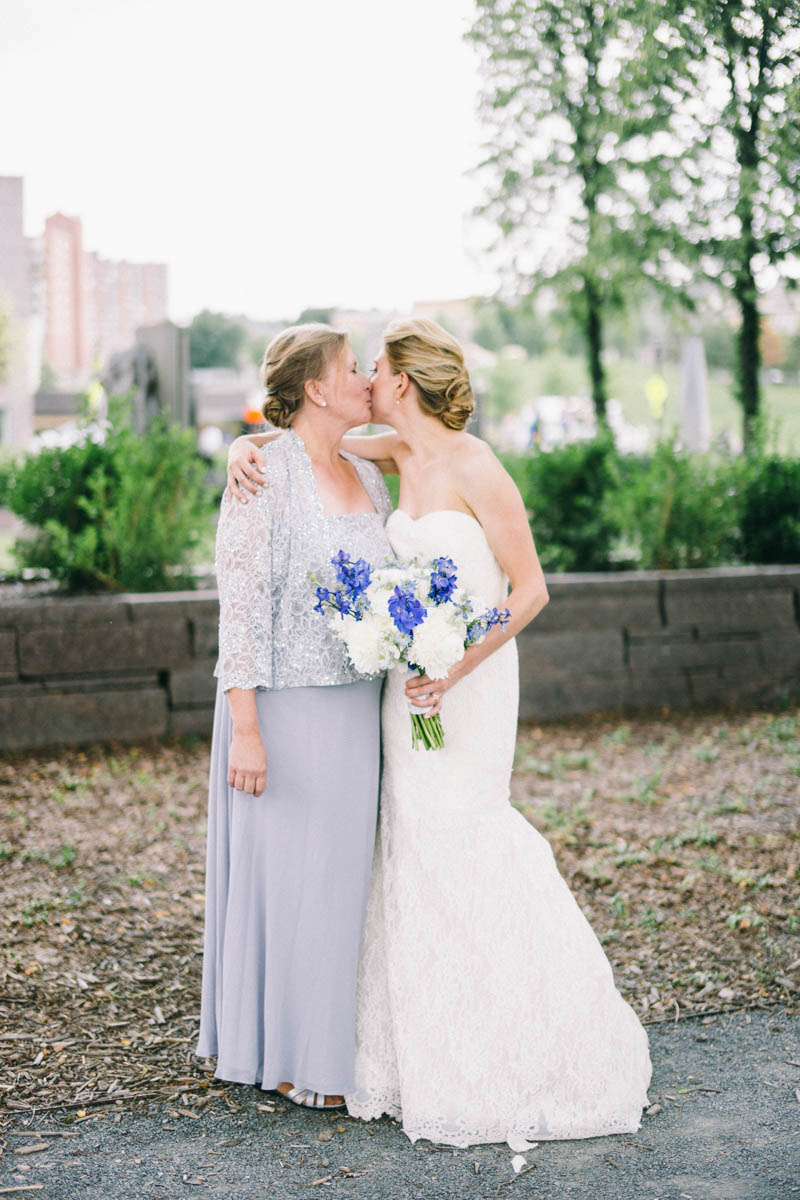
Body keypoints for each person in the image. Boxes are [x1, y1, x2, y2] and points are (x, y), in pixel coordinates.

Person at [227, 317, 652, 1147]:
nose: (367, 377)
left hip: (469, 683)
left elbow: (529, 591)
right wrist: (239, 453)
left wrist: (455, 666)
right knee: (410, 842)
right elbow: (304, 449)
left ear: (406, 382)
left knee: (468, 833)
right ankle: (422, 1045)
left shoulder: (477, 464)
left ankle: (531, 1032)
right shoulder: (389, 453)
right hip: (405, 686)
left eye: (377, 367)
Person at [197, 324, 394, 1111]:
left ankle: (330, 1042)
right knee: (291, 884)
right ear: (316, 387)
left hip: (357, 709)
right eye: (353, 368)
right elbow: (237, 609)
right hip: (280, 710)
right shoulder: (261, 475)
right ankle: (284, 1052)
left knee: (341, 884)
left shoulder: (368, 476)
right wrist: (245, 728)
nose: (366, 377)